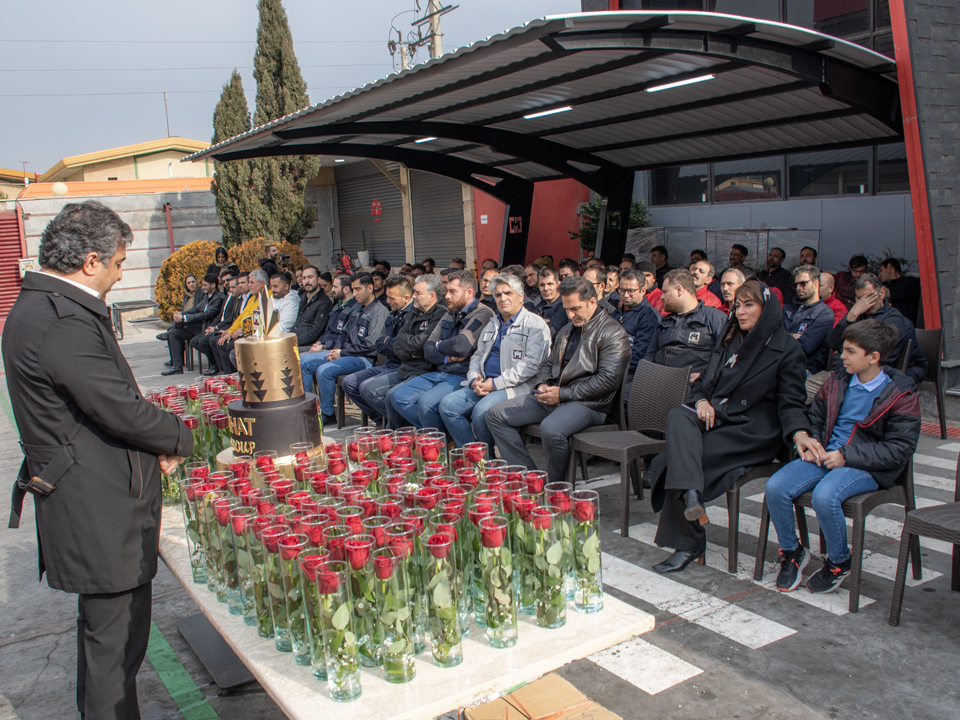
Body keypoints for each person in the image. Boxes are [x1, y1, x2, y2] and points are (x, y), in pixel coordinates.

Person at [3, 200, 192, 720]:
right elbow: (120, 409)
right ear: (91, 261)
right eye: (118, 263)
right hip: (98, 503)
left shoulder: (40, 306)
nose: (118, 273)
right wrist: (179, 436)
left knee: (111, 644)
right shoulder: (59, 320)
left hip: (92, 491)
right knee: (114, 645)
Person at [648, 280, 808, 573]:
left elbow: (792, 402)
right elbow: (704, 384)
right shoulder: (730, 339)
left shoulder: (787, 349)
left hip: (753, 430)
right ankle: (692, 494)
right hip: (718, 415)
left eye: (749, 305)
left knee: (676, 459)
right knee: (678, 416)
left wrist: (799, 432)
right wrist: (701, 402)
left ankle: (689, 539)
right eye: (737, 305)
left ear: (767, 308)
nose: (741, 312)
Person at [765, 319, 920, 593]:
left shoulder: (901, 395)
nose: (841, 356)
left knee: (825, 496)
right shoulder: (836, 382)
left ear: (874, 357)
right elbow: (815, 417)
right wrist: (810, 439)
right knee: (775, 487)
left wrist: (846, 456)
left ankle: (839, 562)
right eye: (842, 349)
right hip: (826, 457)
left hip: (864, 466)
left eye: (850, 351)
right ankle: (792, 552)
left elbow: (899, 449)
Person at [486, 276, 631, 483]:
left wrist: (562, 394)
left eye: (575, 309)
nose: (571, 314)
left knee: (551, 429)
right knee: (495, 414)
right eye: (567, 309)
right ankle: (531, 478)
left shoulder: (613, 333)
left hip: (590, 404)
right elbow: (547, 363)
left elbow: (607, 381)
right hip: (556, 395)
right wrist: (542, 384)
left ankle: (556, 488)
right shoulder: (568, 329)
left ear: (592, 302)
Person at [438, 274, 552, 451]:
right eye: (498, 295)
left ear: (520, 296)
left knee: (481, 412)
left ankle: (488, 463)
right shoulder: (493, 323)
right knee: (447, 405)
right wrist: (473, 379)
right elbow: (478, 355)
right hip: (484, 383)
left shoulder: (534, 324)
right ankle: (474, 454)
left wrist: (495, 384)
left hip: (516, 387)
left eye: (508, 293)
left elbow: (532, 365)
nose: (503, 298)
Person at [390, 270, 495, 431]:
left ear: (469, 293)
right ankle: (442, 436)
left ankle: (447, 443)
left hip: (461, 375)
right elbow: (427, 348)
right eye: (447, 291)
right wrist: (448, 358)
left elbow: (461, 346)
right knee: (398, 397)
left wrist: (438, 345)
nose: (446, 296)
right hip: (440, 370)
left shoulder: (482, 313)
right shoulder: (449, 313)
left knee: (426, 403)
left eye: (452, 292)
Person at [350, 275, 446, 428]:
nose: (414, 296)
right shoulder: (414, 311)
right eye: (414, 291)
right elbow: (397, 344)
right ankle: (402, 431)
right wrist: (408, 349)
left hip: (424, 370)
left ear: (432, 296)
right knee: (369, 389)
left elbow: (422, 345)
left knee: (392, 396)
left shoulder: (440, 314)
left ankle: (424, 431)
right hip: (405, 366)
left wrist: (405, 344)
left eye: (418, 293)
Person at [307, 273, 389, 426]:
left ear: (370, 288)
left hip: (363, 358)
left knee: (324, 371)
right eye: (353, 289)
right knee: (304, 361)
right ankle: (309, 409)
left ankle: (327, 413)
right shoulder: (357, 308)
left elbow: (371, 344)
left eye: (358, 289)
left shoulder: (379, 311)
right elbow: (344, 333)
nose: (355, 293)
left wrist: (342, 353)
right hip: (344, 352)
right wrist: (332, 349)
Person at [340, 275, 416, 426]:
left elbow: (405, 347)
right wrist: (390, 344)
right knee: (349, 383)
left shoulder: (413, 315)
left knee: (368, 388)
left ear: (406, 298)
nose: (387, 301)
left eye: (391, 298)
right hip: (388, 363)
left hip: (403, 367)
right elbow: (379, 343)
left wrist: (389, 343)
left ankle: (400, 424)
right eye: (387, 297)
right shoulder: (393, 313)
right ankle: (382, 420)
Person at [826, 273, 928, 384]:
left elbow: (877, 354)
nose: (865, 303)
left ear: (882, 293)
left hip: (892, 372)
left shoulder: (894, 319)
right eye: (860, 299)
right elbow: (832, 342)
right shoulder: (858, 313)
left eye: (870, 296)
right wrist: (851, 317)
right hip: (851, 372)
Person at [643, 269, 726, 383]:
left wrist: (706, 374)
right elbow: (650, 354)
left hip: (692, 385)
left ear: (679, 290)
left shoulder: (714, 319)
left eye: (665, 292)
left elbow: (725, 355)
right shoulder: (665, 321)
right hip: (658, 381)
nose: (661, 297)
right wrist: (643, 377)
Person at [300, 275, 360, 390]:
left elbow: (343, 336)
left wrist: (324, 345)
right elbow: (328, 330)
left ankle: (312, 401)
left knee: (303, 360)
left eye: (335, 287)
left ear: (346, 289)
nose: (332, 290)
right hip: (325, 344)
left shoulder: (354, 309)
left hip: (335, 348)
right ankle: (310, 397)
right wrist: (319, 342)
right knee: (296, 356)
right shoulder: (337, 306)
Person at [161, 273, 225, 376]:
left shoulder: (218, 298)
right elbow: (196, 309)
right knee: (174, 333)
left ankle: (216, 362)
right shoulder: (207, 296)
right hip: (199, 327)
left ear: (213, 285)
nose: (202, 287)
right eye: (203, 285)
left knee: (194, 338)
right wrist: (181, 314)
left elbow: (206, 315)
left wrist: (184, 318)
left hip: (207, 327)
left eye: (205, 285)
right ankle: (177, 366)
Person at [212, 269, 267, 374]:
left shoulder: (266, 298)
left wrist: (241, 330)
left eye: (251, 282)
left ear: (261, 284)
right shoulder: (253, 298)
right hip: (247, 332)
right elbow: (240, 318)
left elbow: (259, 322)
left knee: (229, 346)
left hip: (255, 334)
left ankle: (237, 377)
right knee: (220, 342)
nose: (249, 285)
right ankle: (228, 376)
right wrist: (230, 332)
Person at [783, 264, 835, 375]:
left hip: (805, 369)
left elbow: (806, 347)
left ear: (816, 283)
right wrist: (793, 336)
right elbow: (772, 337)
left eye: (803, 284)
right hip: (781, 364)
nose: (798, 288)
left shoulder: (825, 313)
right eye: (795, 285)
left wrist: (784, 337)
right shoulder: (788, 309)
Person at [614, 269, 660, 377]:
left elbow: (639, 354)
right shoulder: (615, 314)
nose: (625, 295)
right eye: (622, 290)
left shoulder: (649, 316)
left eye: (630, 291)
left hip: (630, 374)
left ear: (642, 291)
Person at [194, 275, 242, 375]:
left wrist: (218, 328)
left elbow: (230, 319)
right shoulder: (227, 296)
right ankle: (219, 367)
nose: (226, 284)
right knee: (196, 341)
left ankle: (226, 372)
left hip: (229, 327)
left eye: (228, 281)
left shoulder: (230, 297)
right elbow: (221, 314)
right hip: (224, 326)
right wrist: (212, 327)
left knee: (214, 341)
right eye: (224, 281)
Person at [291, 265, 333, 351]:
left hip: (309, 346)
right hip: (295, 341)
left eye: (310, 277)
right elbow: (297, 323)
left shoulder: (324, 302)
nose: (307, 281)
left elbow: (315, 333)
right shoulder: (303, 297)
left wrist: (293, 341)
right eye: (304, 278)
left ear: (318, 280)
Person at [157, 274, 202, 343]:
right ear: (186, 285)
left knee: (172, 332)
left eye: (193, 282)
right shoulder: (186, 295)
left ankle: (169, 333)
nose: (191, 284)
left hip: (195, 325)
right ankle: (176, 354)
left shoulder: (202, 293)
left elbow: (198, 311)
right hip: (186, 324)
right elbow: (183, 310)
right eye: (189, 283)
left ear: (197, 282)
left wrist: (182, 316)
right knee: (171, 331)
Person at [879, 258, 922, 325]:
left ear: (889, 266)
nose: (879, 275)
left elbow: (900, 293)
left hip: (910, 328)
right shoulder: (886, 286)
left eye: (881, 270)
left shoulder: (910, 282)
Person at [537, 266, 569, 339]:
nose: (546, 288)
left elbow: (551, 332)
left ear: (558, 284)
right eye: (542, 285)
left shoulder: (564, 305)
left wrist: (537, 321)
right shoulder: (539, 305)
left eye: (550, 284)